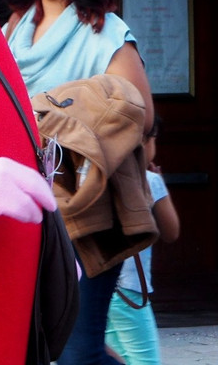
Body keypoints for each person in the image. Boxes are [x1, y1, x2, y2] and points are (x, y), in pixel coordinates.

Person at [4, 0, 154, 365]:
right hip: (28, 206)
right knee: (49, 350)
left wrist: (66, 115)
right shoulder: (12, 29)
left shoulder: (104, 30)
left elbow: (140, 114)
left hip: (87, 203)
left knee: (77, 353)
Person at [104, 116, 181, 365]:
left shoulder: (97, 178)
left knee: (112, 353)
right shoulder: (150, 181)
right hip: (130, 289)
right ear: (143, 141)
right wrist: (160, 185)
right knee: (145, 360)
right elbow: (171, 232)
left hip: (99, 286)